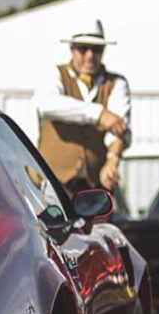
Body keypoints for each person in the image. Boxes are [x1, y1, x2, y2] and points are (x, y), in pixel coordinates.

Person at [35, 20, 131, 194]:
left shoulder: (117, 83)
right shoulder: (54, 74)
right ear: (71, 49)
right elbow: (47, 105)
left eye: (96, 49)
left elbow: (119, 126)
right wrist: (99, 114)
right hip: (52, 183)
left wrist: (112, 159)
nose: (90, 55)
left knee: (102, 221)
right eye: (83, 49)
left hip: (95, 186)